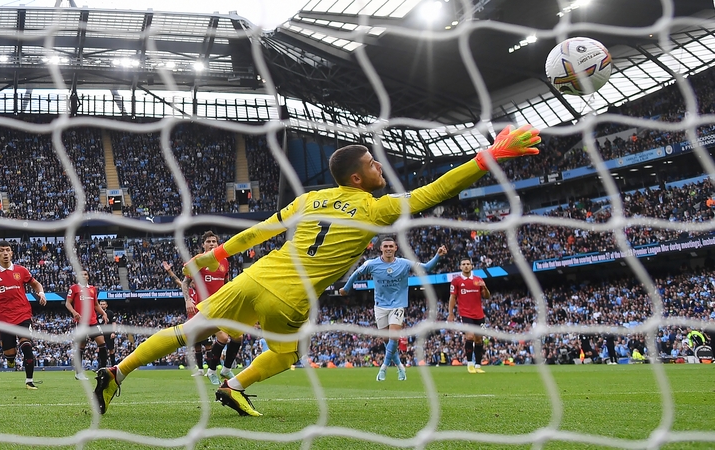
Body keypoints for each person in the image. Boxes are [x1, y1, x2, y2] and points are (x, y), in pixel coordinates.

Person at [95, 124, 541, 416]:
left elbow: (261, 231)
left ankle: (117, 373)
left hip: (254, 275)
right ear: (356, 179)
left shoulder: (309, 200)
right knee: (286, 354)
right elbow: (436, 190)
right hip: (290, 296)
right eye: (372, 163)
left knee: (186, 332)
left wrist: (216, 255)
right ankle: (233, 386)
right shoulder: (376, 208)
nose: (379, 166)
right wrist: (487, 158)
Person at [339, 237, 446, 382]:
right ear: (381, 248)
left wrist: (438, 255)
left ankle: (383, 368)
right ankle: (400, 367)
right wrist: (346, 288)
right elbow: (356, 273)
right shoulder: (371, 264)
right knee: (386, 339)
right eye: (386, 246)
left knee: (394, 337)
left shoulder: (404, 263)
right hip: (380, 306)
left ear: (396, 248)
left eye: (391, 246)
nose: (388, 248)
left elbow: (426, 268)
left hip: (397, 304)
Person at [163, 231, 243, 386]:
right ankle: (210, 371)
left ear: (218, 244)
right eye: (208, 241)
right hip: (206, 308)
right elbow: (185, 282)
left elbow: (226, 282)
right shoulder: (199, 261)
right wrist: (188, 301)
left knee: (238, 337)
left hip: (222, 305)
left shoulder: (224, 261)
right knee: (222, 338)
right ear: (203, 245)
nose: (212, 244)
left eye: (214, 241)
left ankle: (225, 369)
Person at [0, 240, 47, 389]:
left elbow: (36, 284)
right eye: (2, 250)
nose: (5, 253)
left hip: (23, 313)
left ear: (12, 253)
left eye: (7, 250)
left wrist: (41, 293)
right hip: (4, 318)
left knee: (26, 346)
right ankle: (10, 359)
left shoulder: (21, 270)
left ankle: (29, 381)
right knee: (10, 354)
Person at [448, 258, 490, 374]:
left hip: (479, 314)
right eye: (463, 264)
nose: (466, 266)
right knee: (470, 336)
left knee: (479, 339)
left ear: (472, 266)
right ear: (460, 267)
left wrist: (485, 287)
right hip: (465, 314)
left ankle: (478, 365)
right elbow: (452, 297)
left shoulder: (478, 280)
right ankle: (470, 363)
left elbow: (487, 296)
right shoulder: (456, 281)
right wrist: (451, 313)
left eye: (468, 264)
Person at [65, 269, 109, 380]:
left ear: (88, 277)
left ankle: (102, 370)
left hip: (93, 321)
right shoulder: (74, 288)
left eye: (85, 274)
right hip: (81, 322)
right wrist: (74, 312)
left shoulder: (92, 289)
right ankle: (78, 373)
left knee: (102, 343)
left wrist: (103, 313)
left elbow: (96, 305)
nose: (84, 276)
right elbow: (68, 303)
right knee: (81, 346)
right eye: (81, 274)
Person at [99, 301, 118, 366]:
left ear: (106, 305)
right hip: (100, 334)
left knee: (111, 350)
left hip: (109, 333)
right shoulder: (97, 313)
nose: (102, 305)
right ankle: (101, 366)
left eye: (103, 304)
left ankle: (113, 366)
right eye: (101, 304)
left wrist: (113, 332)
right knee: (100, 349)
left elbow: (113, 323)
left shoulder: (110, 313)